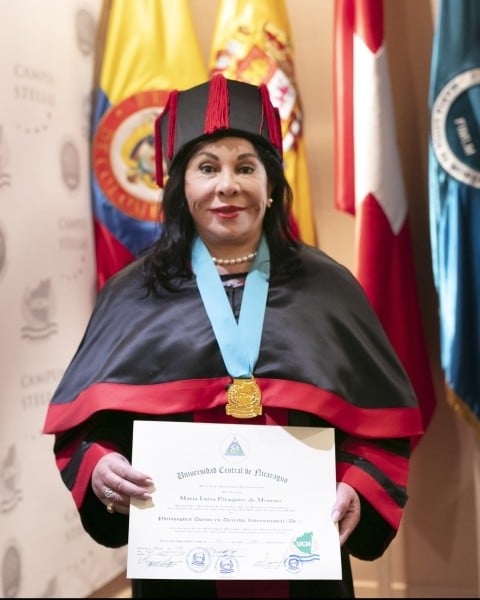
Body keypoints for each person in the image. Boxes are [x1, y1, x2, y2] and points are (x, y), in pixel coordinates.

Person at [43, 74, 423, 599]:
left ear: (271, 185)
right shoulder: (133, 293)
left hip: (305, 569)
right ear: (180, 186)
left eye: (246, 167)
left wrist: (356, 485)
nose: (227, 186)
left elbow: (382, 426)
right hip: (178, 574)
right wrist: (101, 466)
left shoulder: (330, 289)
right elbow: (83, 428)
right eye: (207, 168)